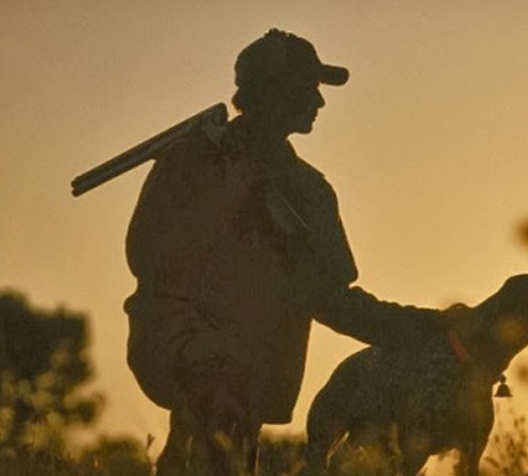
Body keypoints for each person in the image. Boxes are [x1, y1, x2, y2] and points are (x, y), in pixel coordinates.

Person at [124, 29, 447, 475]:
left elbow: (331, 297)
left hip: (254, 367)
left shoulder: (311, 190)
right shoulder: (193, 161)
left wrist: (424, 328)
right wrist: (231, 191)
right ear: (269, 91)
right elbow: (151, 255)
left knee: (232, 453)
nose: (319, 102)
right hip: (190, 347)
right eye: (306, 88)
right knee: (214, 427)